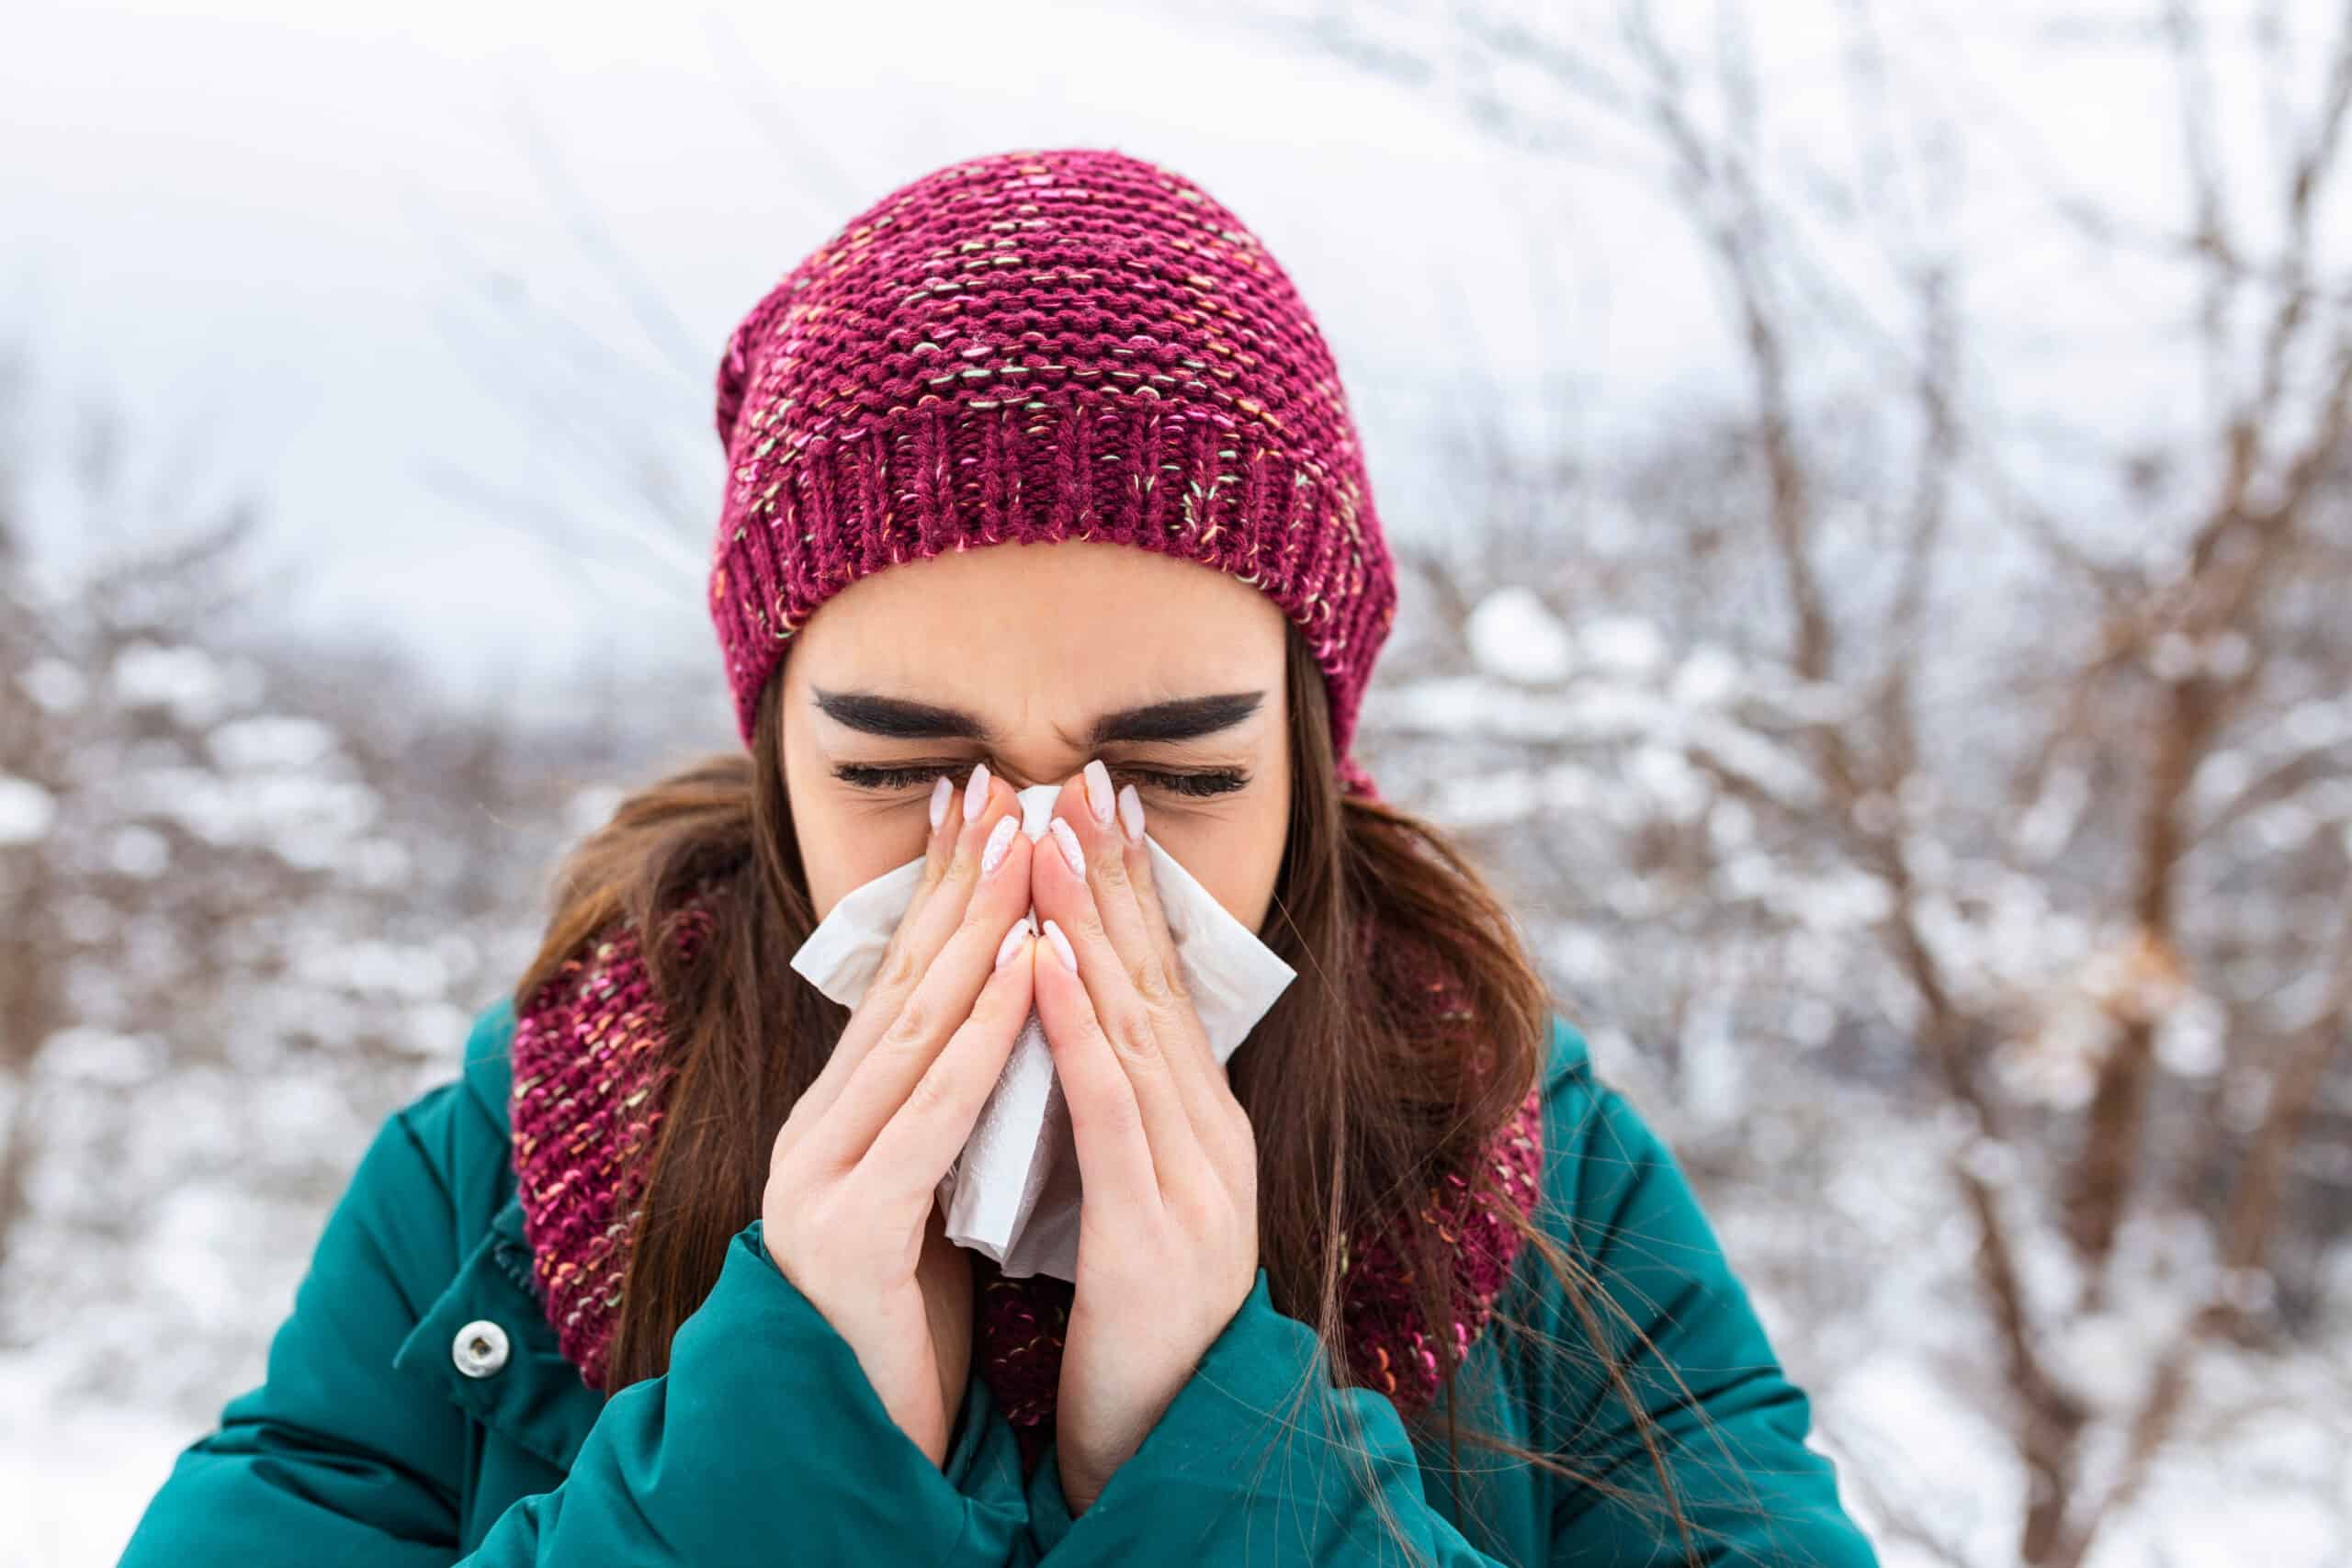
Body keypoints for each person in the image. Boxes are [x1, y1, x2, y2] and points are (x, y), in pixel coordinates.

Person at [119, 145, 1880, 1566]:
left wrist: (1227, 1460)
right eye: (906, 769)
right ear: (775, 754)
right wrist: (776, 1456)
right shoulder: (503, 1176)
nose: (1038, 870)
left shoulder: (1524, 1163)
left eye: (1175, 776)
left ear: (1315, 762)